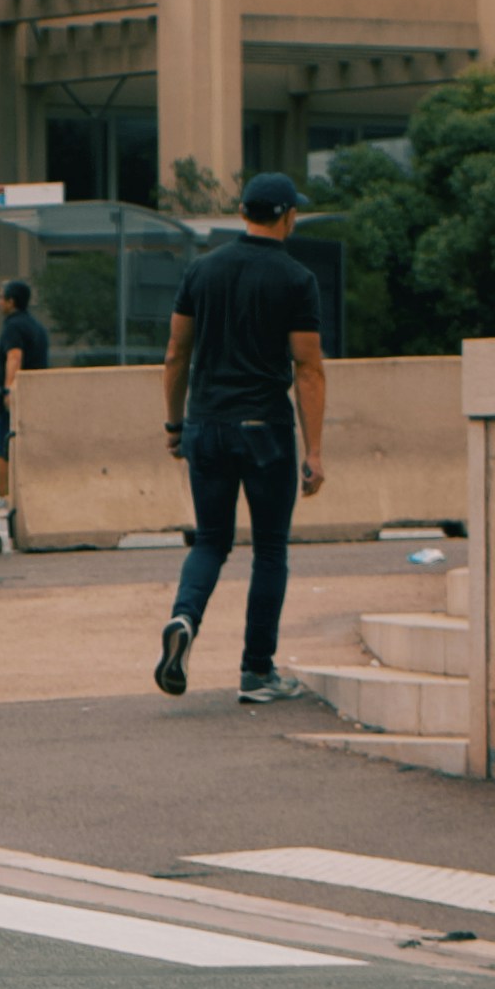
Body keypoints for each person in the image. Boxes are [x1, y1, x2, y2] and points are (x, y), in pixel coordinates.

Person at [155, 173, 327, 706]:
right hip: (264, 430)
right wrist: (315, 451)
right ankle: (256, 672)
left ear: (243, 211)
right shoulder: (296, 279)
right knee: (269, 549)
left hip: (205, 424)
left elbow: (175, 354)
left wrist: (175, 424)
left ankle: (184, 617)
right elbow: (308, 368)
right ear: (286, 215)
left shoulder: (201, 270)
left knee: (211, 541)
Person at [0, 277, 51, 467]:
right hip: (34, 394)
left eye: (2, 298)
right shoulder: (36, 327)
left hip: (16, 395)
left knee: (2, 444)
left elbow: (14, 356)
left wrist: (8, 390)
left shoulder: (13, 326)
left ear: (11, 302)